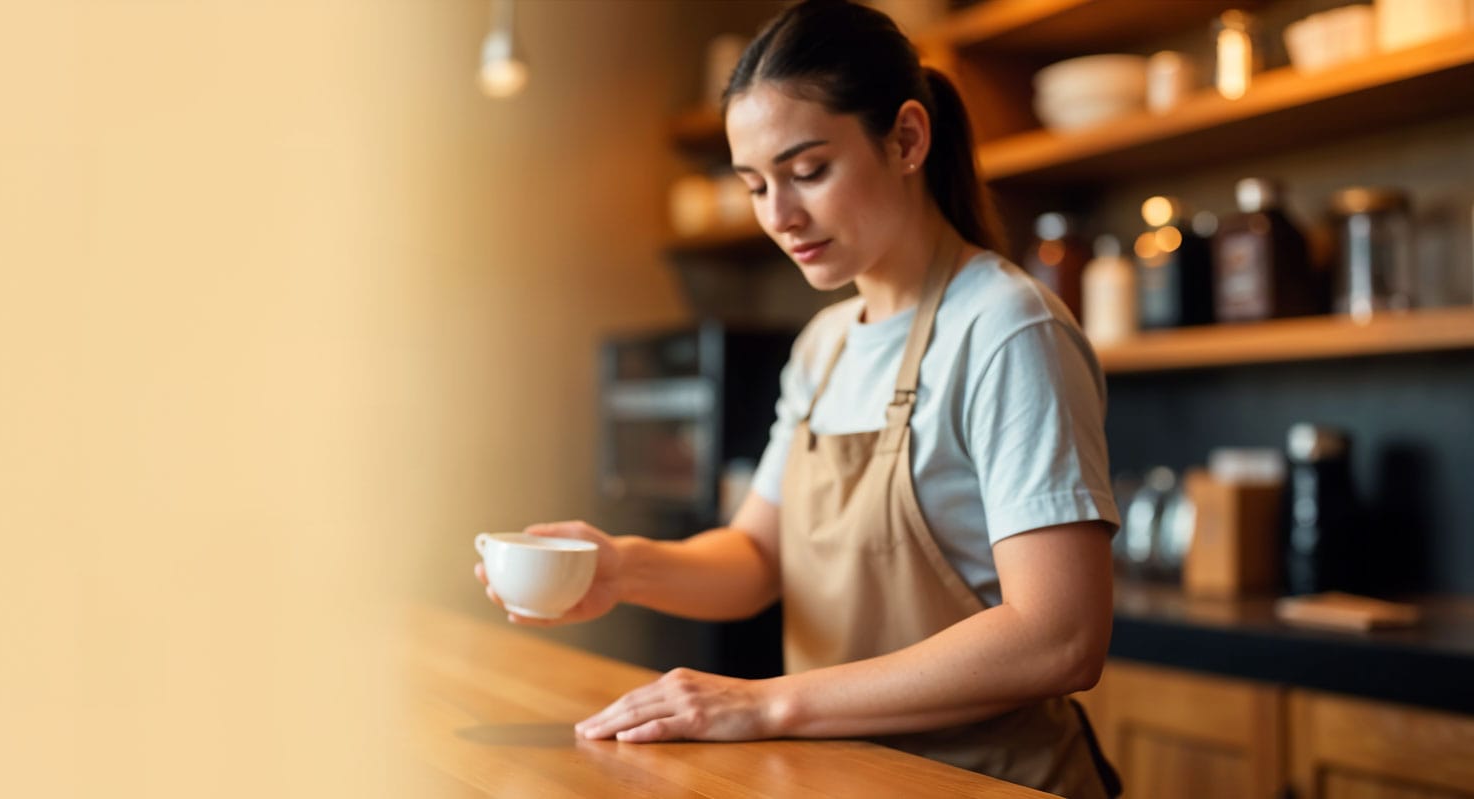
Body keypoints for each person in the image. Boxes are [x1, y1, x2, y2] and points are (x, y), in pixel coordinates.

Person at [473, 1, 1122, 795]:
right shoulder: (826, 343)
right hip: (844, 776)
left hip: (988, 780)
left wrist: (764, 704)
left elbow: (1060, 636)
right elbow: (755, 555)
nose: (780, 216)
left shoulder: (1005, 328)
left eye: (808, 170)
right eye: (755, 185)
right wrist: (620, 568)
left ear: (907, 138)